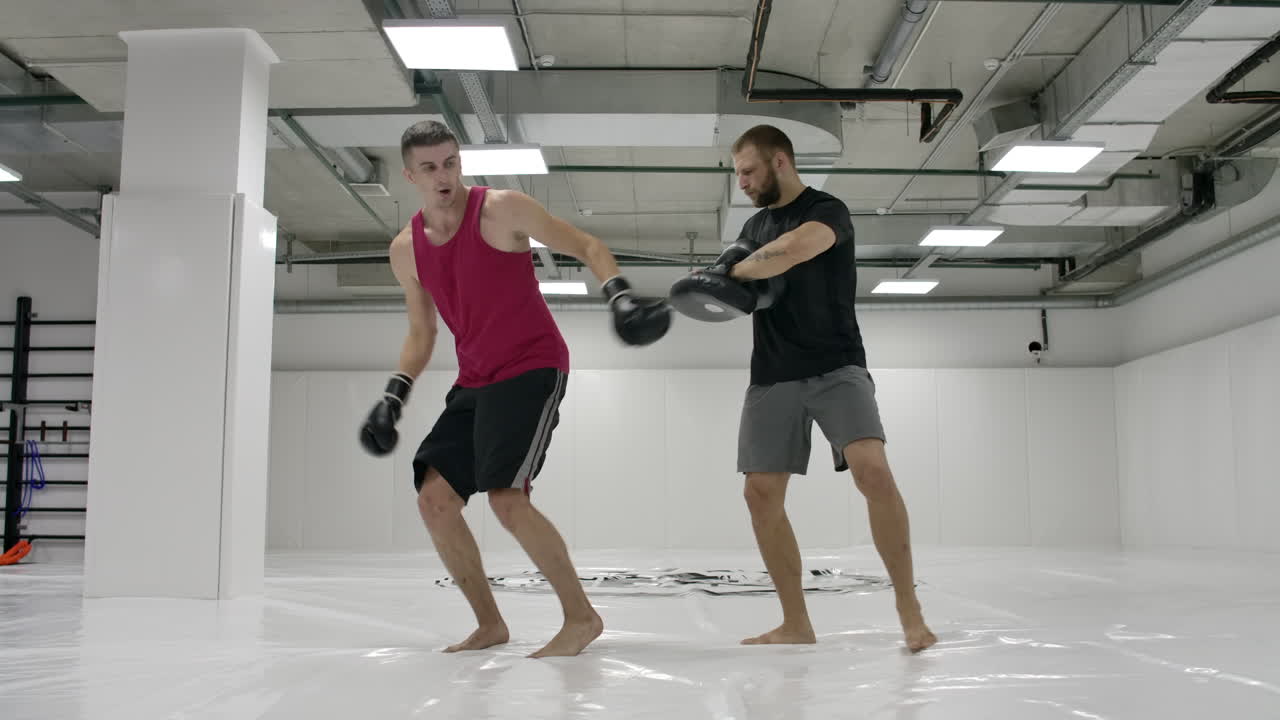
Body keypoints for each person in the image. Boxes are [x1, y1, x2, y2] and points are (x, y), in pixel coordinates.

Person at [358, 120, 671, 658]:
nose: (444, 176)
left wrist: (619, 296)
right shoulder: (405, 249)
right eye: (430, 167)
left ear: (461, 163)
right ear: (409, 175)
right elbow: (422, 332)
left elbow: (587, 244)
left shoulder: (501, 209)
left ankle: (582, 617)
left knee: (506, 499)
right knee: (434, 499)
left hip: (532, 366)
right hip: (474, 378)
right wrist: (394, 395)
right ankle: (490, 625)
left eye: (451, 162)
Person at [716, 124, 936, 653]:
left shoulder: (827, 210)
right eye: (738, 173)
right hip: (772, 373)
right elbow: (739, 293)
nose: (742, 182)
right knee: (759, 493)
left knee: (873, 471)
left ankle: (909, 608)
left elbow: (794, 249)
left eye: (748, 171)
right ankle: (796, 622)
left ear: (780, 163)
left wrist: (731, 268)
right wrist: (719, 278)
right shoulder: (751, 225)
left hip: (837, 366)